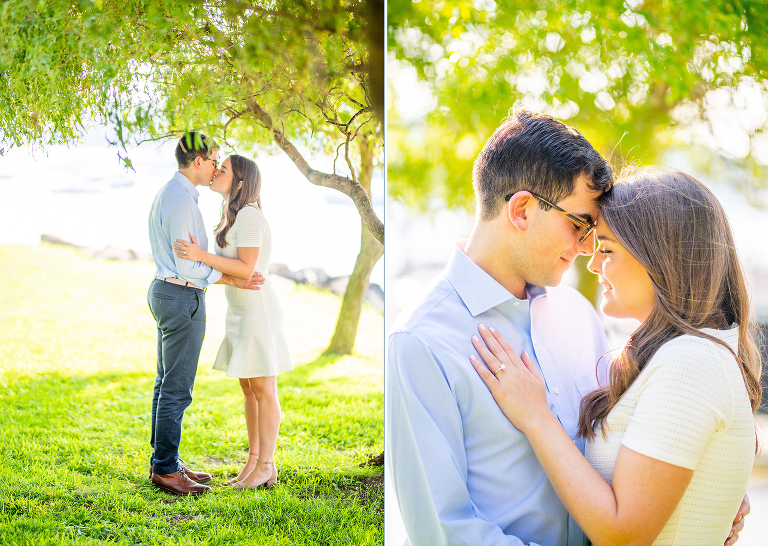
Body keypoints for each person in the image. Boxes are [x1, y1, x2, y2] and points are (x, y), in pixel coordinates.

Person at [386, 110, 750, 545]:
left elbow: (627, 449)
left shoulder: (578, 313)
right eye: (579, 225)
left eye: (593, 234)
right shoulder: (421, 341)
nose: (585, 250)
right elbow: (443, 531)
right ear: (521, 210)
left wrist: (693, 483)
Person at [470, 167, 761, 546]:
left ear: (661, 256)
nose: (591, 264)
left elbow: (623, 534)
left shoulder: (691, 364)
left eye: (606, 249)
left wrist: (536, 417)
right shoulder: (681, 355)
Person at [148, 133, 264, 496]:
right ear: (197, 161)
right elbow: (188, 264)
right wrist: (232, 278)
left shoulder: (172, 194)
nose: (215, 168)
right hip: (181, 297)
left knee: (165, 383)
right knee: (176, 388)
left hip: (167, 292)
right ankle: (166, 469)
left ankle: (165, 461)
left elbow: (188, 259)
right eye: (213, 161)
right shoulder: (183, 204)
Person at [175, 154, 292, 490]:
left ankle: (267, 466)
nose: (215, 172)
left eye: (223, 170)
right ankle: (254, 461)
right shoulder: (233, 217)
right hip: (239, 311)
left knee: (263, 389)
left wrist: (199, 255)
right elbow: (233, 270)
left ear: (240, 183)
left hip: (258, 310)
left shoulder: (251, 217)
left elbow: (247, 269)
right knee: (248, 387)